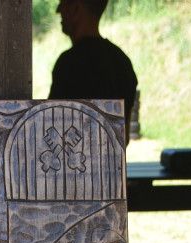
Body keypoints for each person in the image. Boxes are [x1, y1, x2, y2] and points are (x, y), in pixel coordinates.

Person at [48, 0, 138, 143]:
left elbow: (51, 126)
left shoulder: (68, 64)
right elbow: (123, 137)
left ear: (75, 9)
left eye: (63, 4)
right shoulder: (122, 63)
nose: (58, 11)